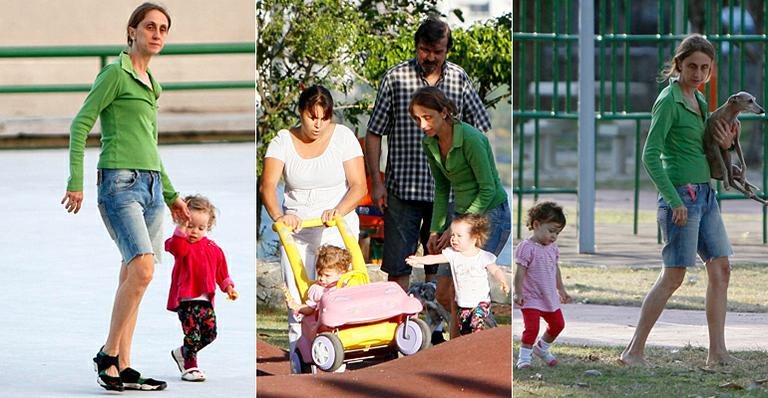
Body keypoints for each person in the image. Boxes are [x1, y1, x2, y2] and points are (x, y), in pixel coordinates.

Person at [61, 3, 190, 391]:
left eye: (163, 29)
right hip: (119, 183)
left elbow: (150, 143)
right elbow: (80, 124)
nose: (157, 34)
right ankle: (108, 355)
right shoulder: (114, 74)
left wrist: (171, 194)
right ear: (131, 31)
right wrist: (76, 181)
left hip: (151, 187)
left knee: (134, 275)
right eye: (149, 26)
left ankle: (124, 365)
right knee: (145, 269)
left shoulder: (152, 82)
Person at [365, 17, 491, 343]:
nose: (430, 57)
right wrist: (376, 183)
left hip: (449, 195)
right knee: (398, 266)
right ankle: (397, 335)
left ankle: (437, 334)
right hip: (403, 190)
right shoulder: (395, 78)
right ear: (416, 47)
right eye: (425, 50)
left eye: (437, 51)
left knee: (444, 266)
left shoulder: (459, 80)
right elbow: (374, 132)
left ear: (446, 49)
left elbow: (481, 128)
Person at [620, 34, 737, 367]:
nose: (698, 73)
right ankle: (633, 351)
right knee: (673, 276)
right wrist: (674, 201)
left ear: (711, 70)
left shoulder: (698, 101)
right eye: (692, 67)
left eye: (704, 68)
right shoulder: (669, 100)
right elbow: (650, 154)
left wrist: (727, 145)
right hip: (681, 198)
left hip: (705, 194)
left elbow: (706, 150)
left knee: (721, 269)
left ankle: (717, 353)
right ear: (679, 65)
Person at [260, 84, 366, 369]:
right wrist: (280, 216)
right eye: (312, 117)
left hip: (335, 226)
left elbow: (358, 186)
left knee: (335, 296)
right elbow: (268, 185)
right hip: (297, 230)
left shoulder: (343, 137)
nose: (318, 124)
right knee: (298, 298)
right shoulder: (282, 140)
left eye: (324, 117)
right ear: (301, 113)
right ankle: (300, 360)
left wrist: (338, 210)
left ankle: (339, 360)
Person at [409, 86, 511, 338]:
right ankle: (458, 351)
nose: (422, 125)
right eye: (417, 118)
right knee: (444, 293)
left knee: (468, 289)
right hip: (462, 216)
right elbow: (442, 189)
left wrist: (455, 227)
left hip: (490, 214)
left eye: (427, 117)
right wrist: (435, 229)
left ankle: (487, 344)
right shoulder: (429, 143)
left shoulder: (471, 139)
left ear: (444, 112)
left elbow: (487, 190)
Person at [166, 195, 238, 382]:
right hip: (187, 300)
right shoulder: (181, 244)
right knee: (193, 335)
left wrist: (228, 287)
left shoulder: (214, 248)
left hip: (206, 302)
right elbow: (176, 248)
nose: (195, 232)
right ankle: (190, 367)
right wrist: (181, 227)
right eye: (190, 226)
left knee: (210, 334)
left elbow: (221, 272)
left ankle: (182, 353)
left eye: (201, 228)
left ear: (208, 227)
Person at [406, 213, 509, 335]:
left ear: (474, 237)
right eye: (452, 235)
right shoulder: (453, 254)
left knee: (476, 324)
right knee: (465, 330)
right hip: (463, 303)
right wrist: (418, 260)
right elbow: (434, 259)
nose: (454, 239)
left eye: (459, 236)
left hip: (480, 302)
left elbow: (495, 269)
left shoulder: (482, 256)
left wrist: (503, 281)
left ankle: (480, 343)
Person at [513, 201, 570, 369]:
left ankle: (542, 348)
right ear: (536, 225)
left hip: (549, 296)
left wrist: (561, 289)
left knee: (558, 324)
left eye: (557, 233)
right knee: (532, 328)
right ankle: (524, 358)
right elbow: (520, 273)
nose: (554, 236)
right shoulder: (526, 248)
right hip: (531, 297)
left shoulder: (552, 248)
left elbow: (555, 269)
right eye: (551, 231)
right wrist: (518, 292)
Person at [285, 245, 352, 316]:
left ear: (343, 273)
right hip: (325, 323)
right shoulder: (318, 290)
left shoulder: (346, 286)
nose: (322, 278)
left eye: (327, 275)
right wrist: (297, 307)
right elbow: (310, 308)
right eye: (319, 274)